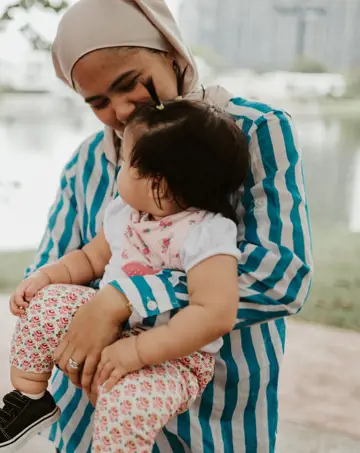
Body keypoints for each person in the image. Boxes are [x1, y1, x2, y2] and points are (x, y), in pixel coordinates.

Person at [22, 0, 313, 452]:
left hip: (215, 414)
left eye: (129, 84)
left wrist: (121, 300)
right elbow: (51, 268)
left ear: (172, 53)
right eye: (97, 102)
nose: (120, 111)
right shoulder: (87, 164)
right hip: (90, 415)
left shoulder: (252, 131)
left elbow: (280, 276)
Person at [0, 78, 250, 452]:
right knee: (49, 303)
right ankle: (30, 398)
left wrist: (139, 352)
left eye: (125, 162)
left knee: (125, 407)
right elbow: (90, 259)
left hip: (173, 356)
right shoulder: (126, 213)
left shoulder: (206, 232)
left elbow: (214, 312)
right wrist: (45, 278)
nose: (117, 168)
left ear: (156, 183)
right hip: (108, 327)